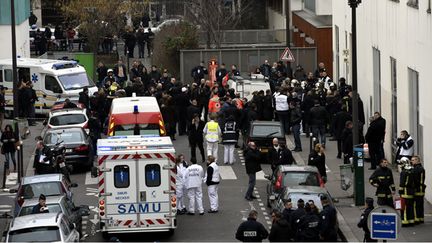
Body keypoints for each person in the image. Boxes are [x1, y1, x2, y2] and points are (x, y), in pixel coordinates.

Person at [398, 157, 415, 227]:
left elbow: (402, 183)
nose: (400, 165)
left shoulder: (404, 172)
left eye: (401, 163)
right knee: (410, 207)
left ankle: (405, 221)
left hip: (405, 192)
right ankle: (411, 221)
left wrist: (400, 191)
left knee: (404, 208)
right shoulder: (412, 170)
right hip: (411, 192)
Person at [411, 155, 425, 224]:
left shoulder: (416, 169)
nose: (412, 161)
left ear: (417, 160)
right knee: (420, 205)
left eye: (413, 160)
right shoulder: (421, 168)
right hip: (421, 189)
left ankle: (417, 219)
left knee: (416, 205)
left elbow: (416, 181)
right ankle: (421, 218)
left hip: (417, 189)